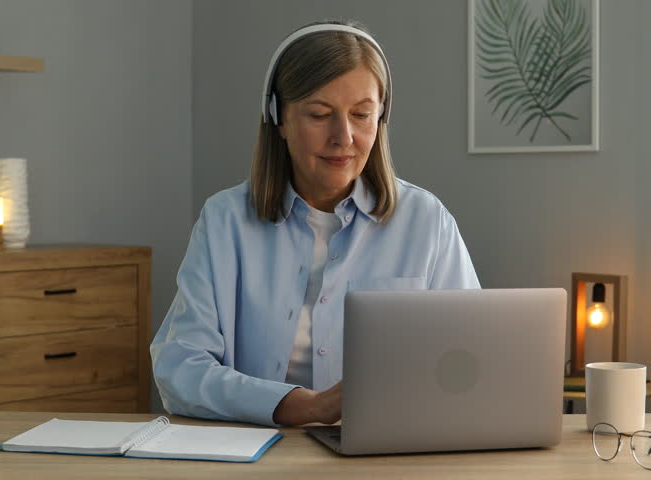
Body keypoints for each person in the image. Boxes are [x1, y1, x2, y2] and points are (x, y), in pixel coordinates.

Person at [150, 20, 479, 427]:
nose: (344, 137)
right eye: (320, 114)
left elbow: (470, 360)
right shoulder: (224, 221)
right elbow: (179, 367)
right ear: (278, 119)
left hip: (388, 453)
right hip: (255, 455)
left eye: (362, 115)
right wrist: (299, 406)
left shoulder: (427, 222)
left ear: (381, 118)